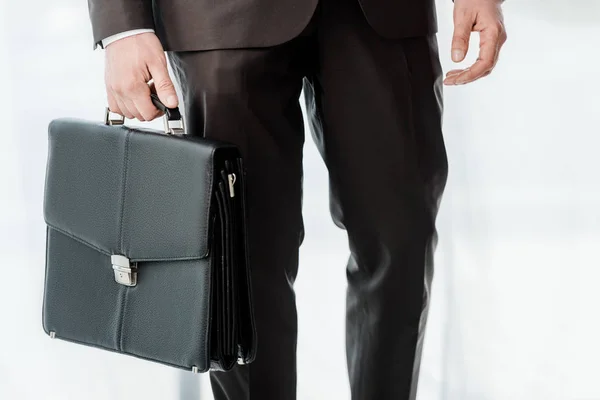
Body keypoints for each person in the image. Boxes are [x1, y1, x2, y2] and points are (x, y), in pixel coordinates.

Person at [87, 0, 506, 398]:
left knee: (402, 243)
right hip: (220, 17)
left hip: (384, 15)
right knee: (241, 263)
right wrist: (123, 23)